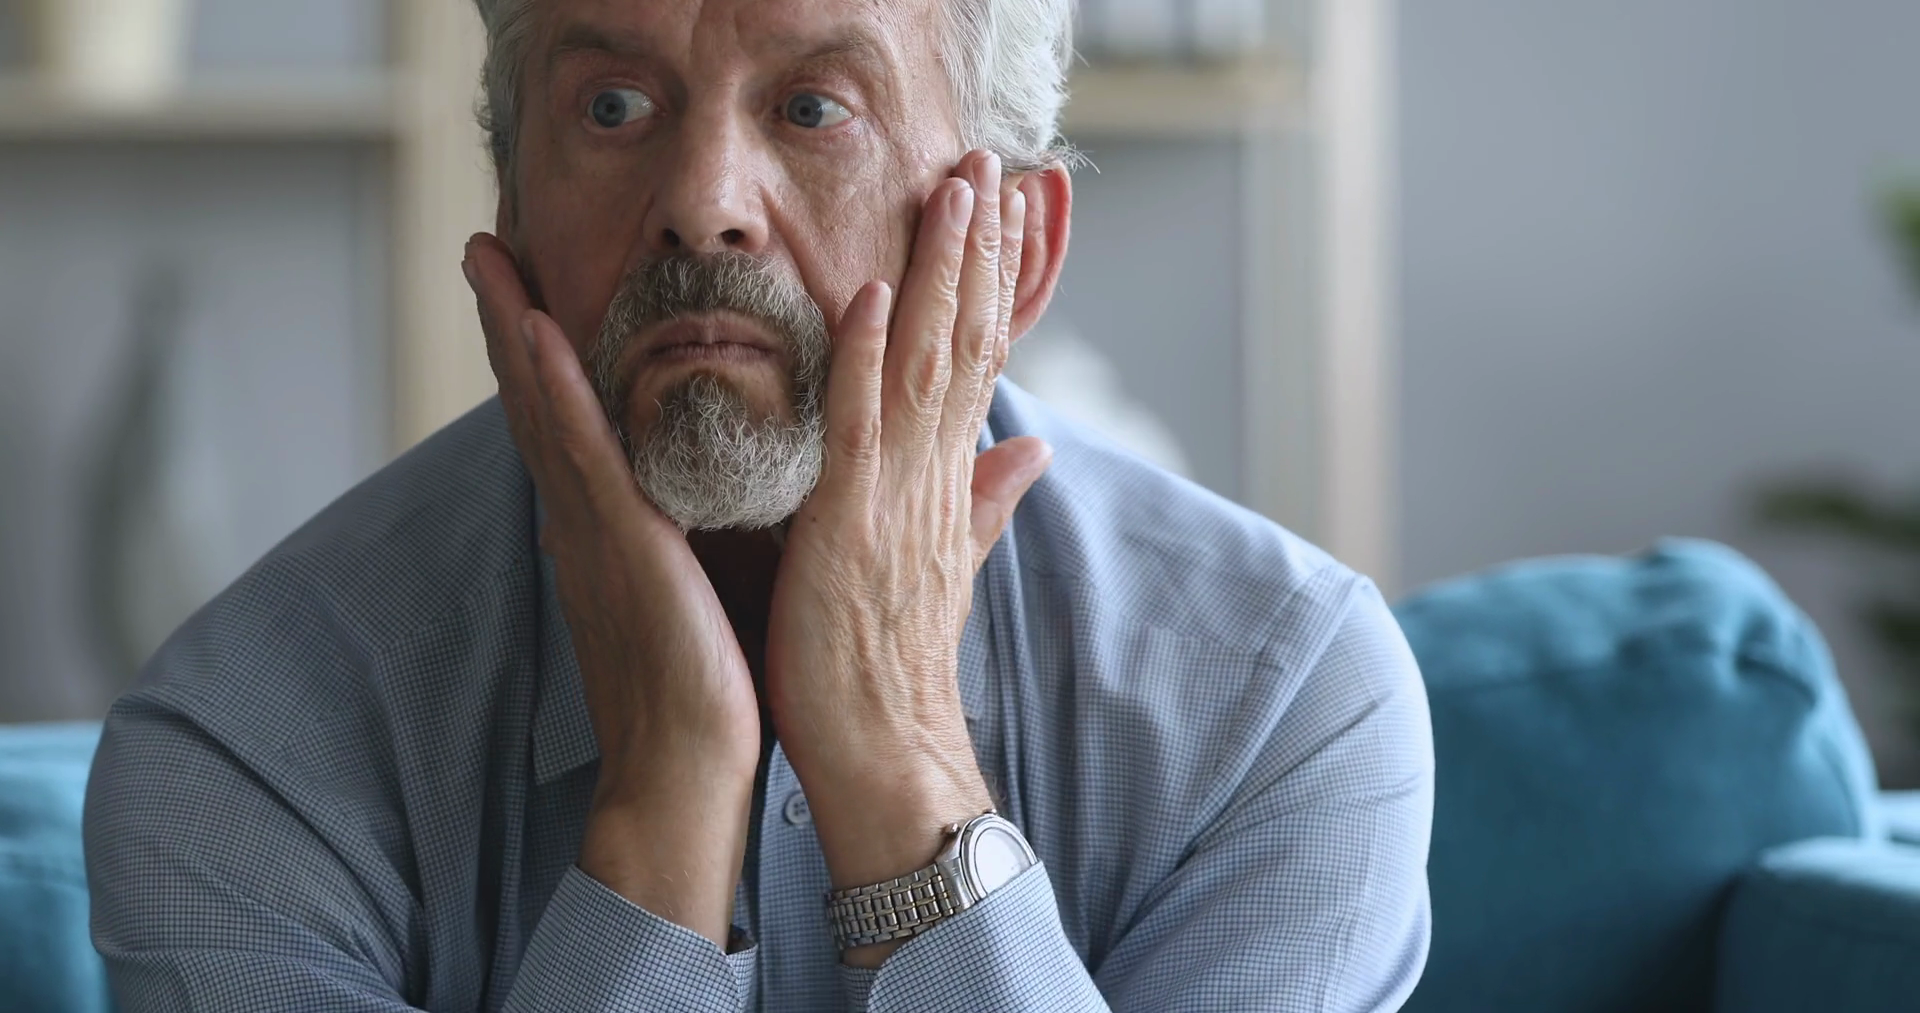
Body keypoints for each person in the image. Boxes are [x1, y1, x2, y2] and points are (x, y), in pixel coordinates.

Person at [83, 0, 1434, 1009]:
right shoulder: (243, 749)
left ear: (1012, 256)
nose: (702, 203)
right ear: (512, 219)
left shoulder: (1281, 707)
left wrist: (897, 756)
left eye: (812, 109)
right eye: (613, 106)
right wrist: (664, 801)